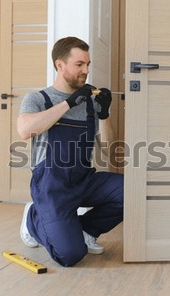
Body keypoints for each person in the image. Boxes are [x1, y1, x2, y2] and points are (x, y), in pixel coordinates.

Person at [17, 36, 124, 267]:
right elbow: (25, 130)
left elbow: (109, 152)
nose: (86, 71)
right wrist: (68, 104)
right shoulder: (39, 99)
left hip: (82, 179)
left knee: (130, 192)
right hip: (52, 186)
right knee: (70, 255)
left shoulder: (90, 104)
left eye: (88, 65)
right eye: (79, 65)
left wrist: (104, 114)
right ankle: (33, 219)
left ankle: (87, 230)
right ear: (60, 65)